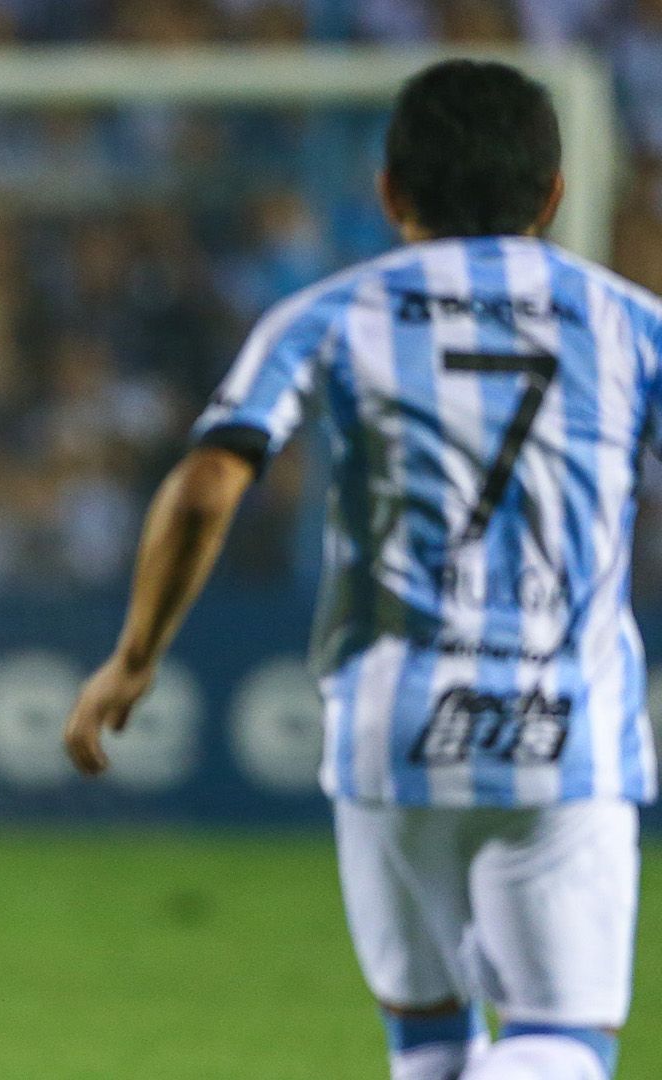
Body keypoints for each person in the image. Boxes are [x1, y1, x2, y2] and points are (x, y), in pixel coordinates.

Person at [62, 59, 651, 1080]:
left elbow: (205, 487)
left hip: (394, 726)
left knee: (429, 1051)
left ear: (390, 191)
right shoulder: (631, 324)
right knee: (564, 1045)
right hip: (567, 726)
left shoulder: (330, 314)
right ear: (556, 193)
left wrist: (135, 657)